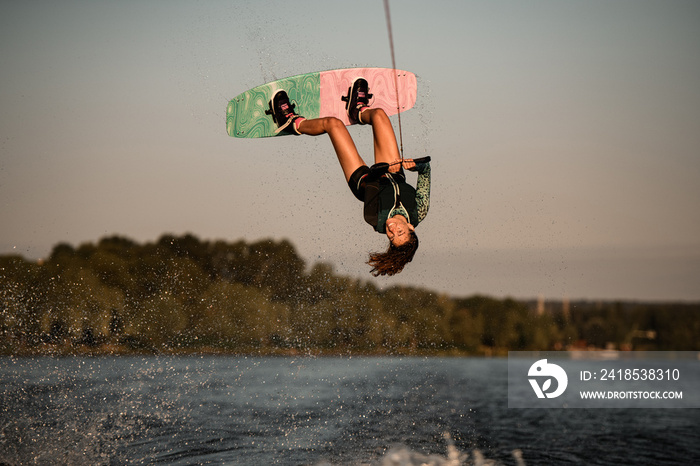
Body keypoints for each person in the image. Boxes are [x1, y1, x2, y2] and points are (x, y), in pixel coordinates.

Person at [267, 78, 431, 276]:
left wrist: (381, 169)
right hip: (394, 172)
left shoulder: (374, 219)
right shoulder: (418, 211)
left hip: (363, 180)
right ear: (411, 227)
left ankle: (292, 123)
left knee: (333, 124)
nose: (392, 229)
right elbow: (426, 171)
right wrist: (417, 166)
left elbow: (372, 182)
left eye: (391, 236)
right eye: (400, 232)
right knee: (379, 114)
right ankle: (359, 110)